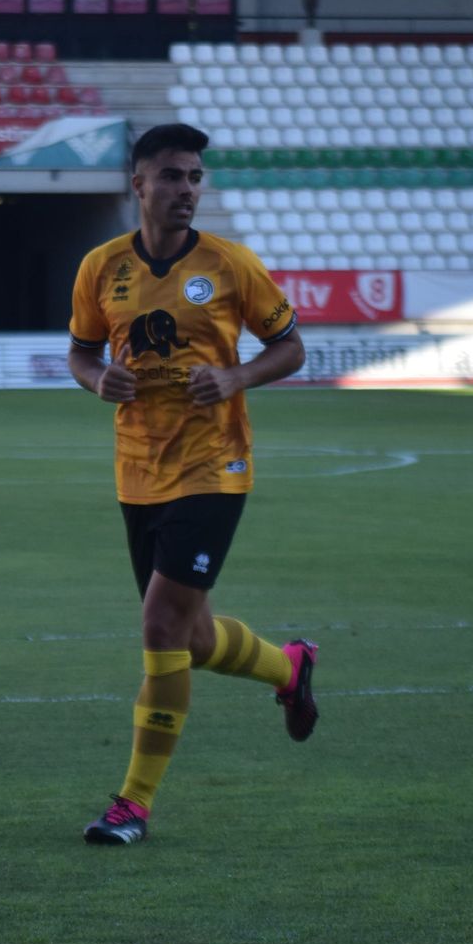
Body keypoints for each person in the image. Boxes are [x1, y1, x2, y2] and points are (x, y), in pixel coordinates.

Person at [66, 123, 313, 846]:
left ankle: (133, 804)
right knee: (192, 634)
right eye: (171, 176)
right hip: (139, 468)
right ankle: (288, 666)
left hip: (215, 465)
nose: (186, 190)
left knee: (158, 627)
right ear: (137, 184)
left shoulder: (232, 265)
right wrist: (96, 380)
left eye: (195, 177)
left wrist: (236, 375)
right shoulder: (100, 268)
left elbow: (292, 345)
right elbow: (80, 353)